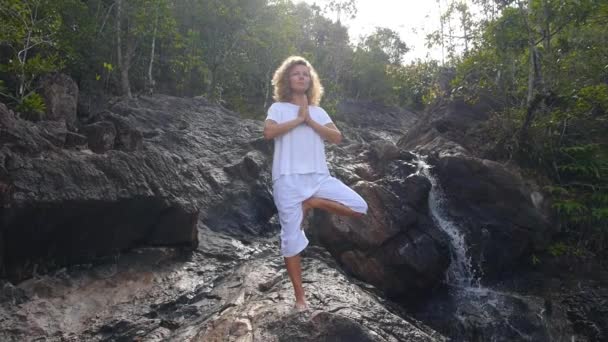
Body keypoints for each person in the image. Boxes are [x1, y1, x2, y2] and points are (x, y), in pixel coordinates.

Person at [263, 56, 368, 311]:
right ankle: (300, 298)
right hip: (287, 178)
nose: (301, 77)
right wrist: (298, 120)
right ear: (287, 79)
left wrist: (309, 119)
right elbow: (268, 133)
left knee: (360, 207)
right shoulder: (278, 109)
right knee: (290, 239)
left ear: (311, 81)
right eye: (296, 73)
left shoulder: (319, 112)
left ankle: (313, 203)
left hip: (318, 177)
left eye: (305, 74)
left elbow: (336, 137)